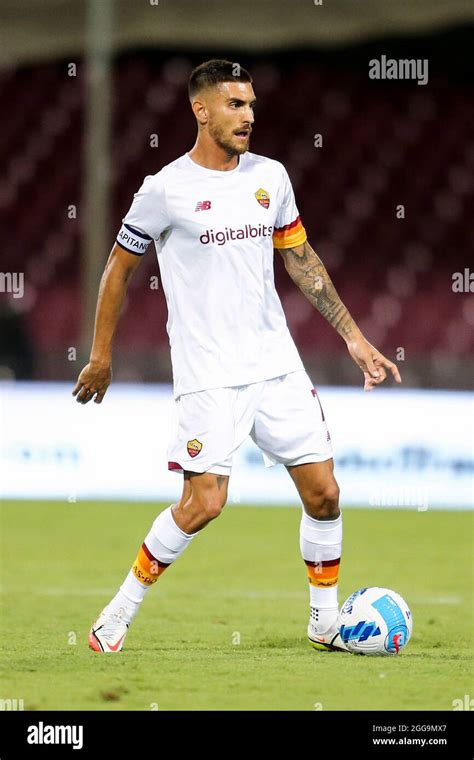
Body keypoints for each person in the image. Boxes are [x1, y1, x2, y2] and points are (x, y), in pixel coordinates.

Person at [73, 59, 401, 654]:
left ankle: (324, 623)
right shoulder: (164, 189)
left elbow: (302, 260)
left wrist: (353, 337)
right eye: (235, 105)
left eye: (251, 104)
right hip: (207, 375)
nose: (248, 116)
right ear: (201, 110)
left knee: (325, 493)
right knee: (205, 503)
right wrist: (100, 356)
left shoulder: (270, 177)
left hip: (276, 366)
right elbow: (119, 269)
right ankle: (117, 613)